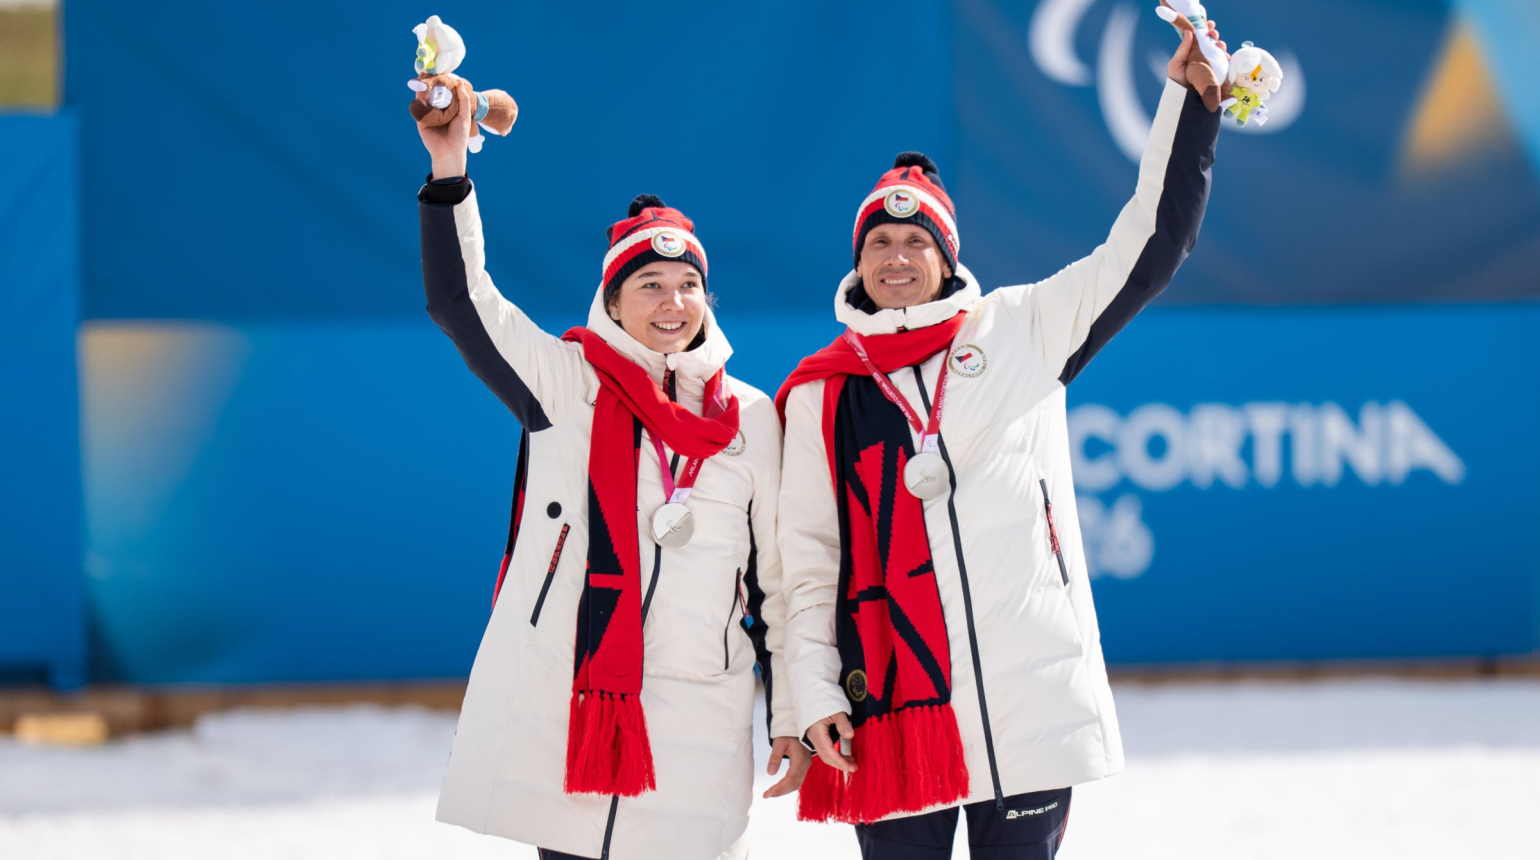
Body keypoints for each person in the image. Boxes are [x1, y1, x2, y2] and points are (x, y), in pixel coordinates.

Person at [774, 23, 1227, 860]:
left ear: (949, 258)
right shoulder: (821, 392)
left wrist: (1190, 105)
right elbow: (804, 565)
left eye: (918, 241)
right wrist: (807, 697)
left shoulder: (1021, 329)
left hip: (1028, 705)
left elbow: (1151, 244)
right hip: (891, 707)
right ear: (857, 263)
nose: (897, 256)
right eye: (879, 241)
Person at [415, 79, 809, 860]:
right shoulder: (566, 383)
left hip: (701, 720)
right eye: (650, 286)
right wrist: (449, 166)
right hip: (571, 714)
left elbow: (785, 584)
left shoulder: (754, 418)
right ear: (613, 300)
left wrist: (791, 712)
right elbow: (463, 302)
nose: (673, 303)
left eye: (689, 285)